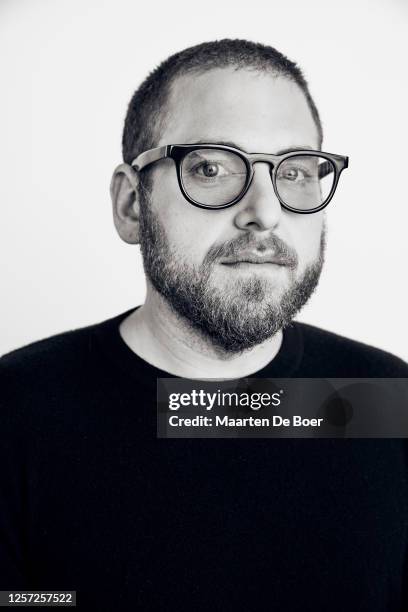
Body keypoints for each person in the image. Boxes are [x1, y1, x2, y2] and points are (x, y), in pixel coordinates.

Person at [1, 39, 407, 611]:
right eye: (211, 167)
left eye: (295, 171)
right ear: (131, 204)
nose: (266, 211)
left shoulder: (383, 400)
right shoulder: (16, 411)